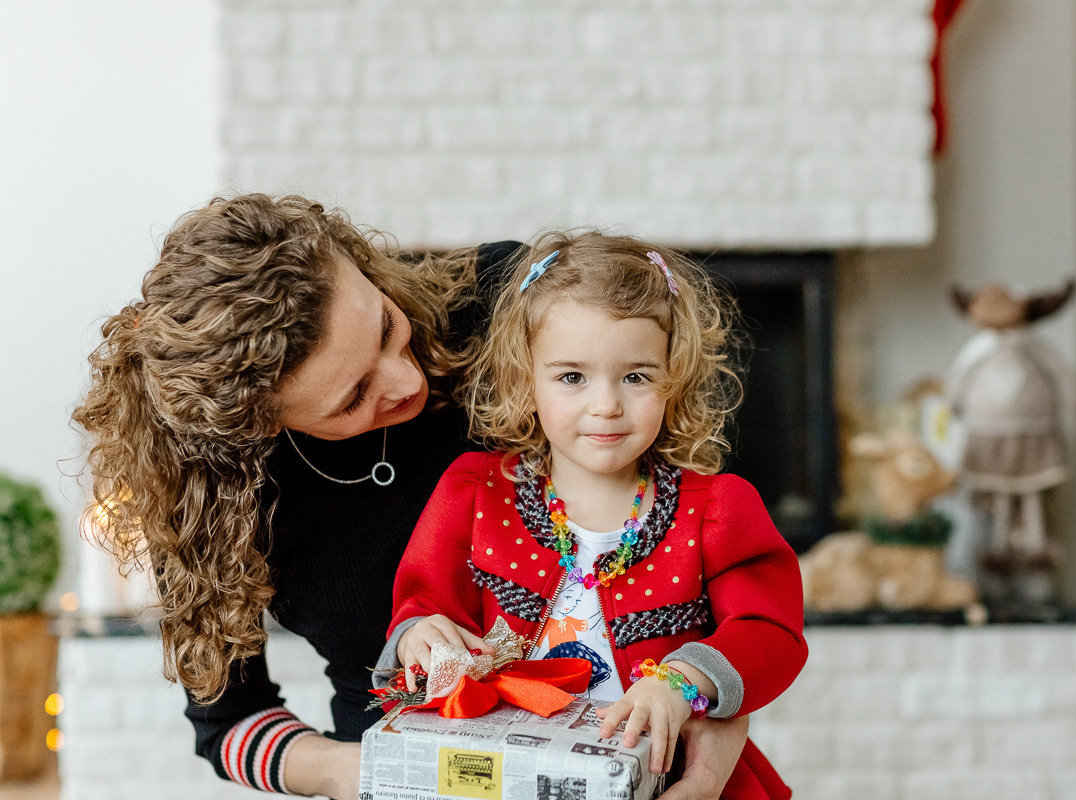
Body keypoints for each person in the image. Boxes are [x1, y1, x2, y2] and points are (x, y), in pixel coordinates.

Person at [72, 194, 755, 800]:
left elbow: (688, 528)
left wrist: (716, 718)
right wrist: (369, 773)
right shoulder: (215, 495)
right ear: (261, 423)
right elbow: (228, 724)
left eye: (387, 330)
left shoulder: (506, 304)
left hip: (624, 756)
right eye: (352, 399)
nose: (405, 380)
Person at [381, 231, 807, 799]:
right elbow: (424, 604)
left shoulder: (716, 510)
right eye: (572, 377)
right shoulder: (475, 493)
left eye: (636, 376)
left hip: (665, 776)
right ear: (526, 378)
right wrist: (418, 636)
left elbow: (769, 630)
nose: (605, 404)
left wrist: (683, 684)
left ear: (672, 377)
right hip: (513, 775)